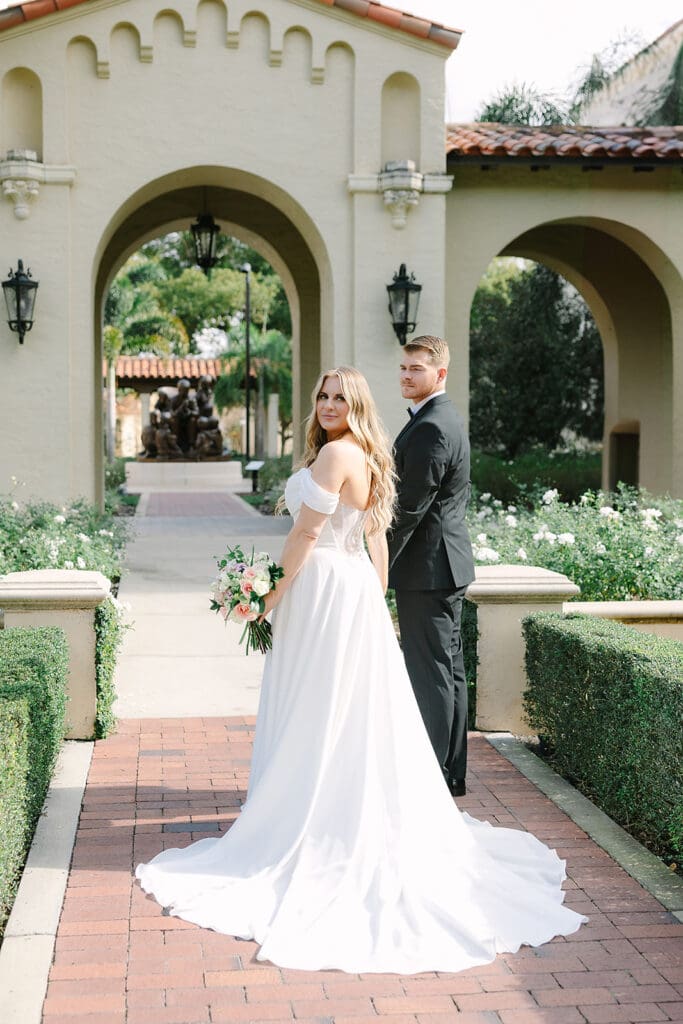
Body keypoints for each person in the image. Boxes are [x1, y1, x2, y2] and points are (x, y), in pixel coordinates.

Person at [136, 366, 586, 974]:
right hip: (347, 595)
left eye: (339, 397)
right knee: (347, 707)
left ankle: (315, 819)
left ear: (357, 406)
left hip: (321, 590)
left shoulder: (335, 458)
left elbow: (304, 535)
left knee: (319, 706)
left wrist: (265, 597)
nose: (326, 403)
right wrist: (373, 605)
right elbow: (374, 540)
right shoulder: (365, 457)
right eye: (321, 394)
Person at [388, 335, 474, 797]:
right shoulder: (443, 418)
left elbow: (409, 510)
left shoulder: (431, 428)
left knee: (431, 671)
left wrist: (375, 561)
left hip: (428, 570)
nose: (405, 375)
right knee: (448, 668)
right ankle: (451, 772)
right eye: (403, 367)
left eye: (415, 369)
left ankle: (434, 778)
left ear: (439, 374)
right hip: (445, 565)